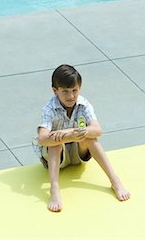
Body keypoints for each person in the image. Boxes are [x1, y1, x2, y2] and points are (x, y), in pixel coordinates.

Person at [34, 64, 130, 212]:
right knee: (54, 142)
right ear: (55, 91)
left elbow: (98, 130)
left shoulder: (83, 104)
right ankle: (54, 189)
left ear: (80, 88)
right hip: (57, 159)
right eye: (65, 91)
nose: (71, 96)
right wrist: (65, 136)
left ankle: (114, 180)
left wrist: (71, 132)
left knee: (89, 137)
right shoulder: (49, 108)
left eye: (74, 90)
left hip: (79, 154)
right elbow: (42, 138)